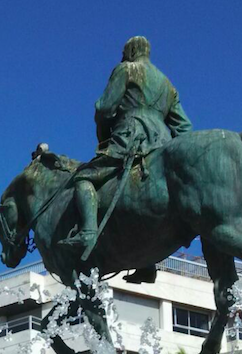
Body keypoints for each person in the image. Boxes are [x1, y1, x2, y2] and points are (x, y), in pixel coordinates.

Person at [61, 36, 192, 278]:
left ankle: (88, 231)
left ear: (130, 52)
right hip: (162, 144)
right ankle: (146, 263)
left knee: (84, 178)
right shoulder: (167, 84)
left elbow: (104, 108)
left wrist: (103, 135)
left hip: (130, 136)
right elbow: (184, 127)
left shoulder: (126, 70)